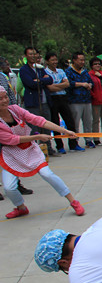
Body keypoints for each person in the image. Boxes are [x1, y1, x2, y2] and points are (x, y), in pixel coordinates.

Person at [0, 90, 84, 219]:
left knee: (47, 174)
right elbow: (12, 140)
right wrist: (37, 137)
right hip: (11, 154)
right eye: (0, 99)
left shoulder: (15, 110)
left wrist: (64, 130)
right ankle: (21, 208)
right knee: (9, 187)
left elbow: (38, 120)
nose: (5, 100)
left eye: (5, 97)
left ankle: (73, 201)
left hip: (30, 150)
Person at [19, 47, 57, 155]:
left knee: (46, 126)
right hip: (33, 103)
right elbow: (30, 84)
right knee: (34, 128)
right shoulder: (24, 70)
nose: (33, 56)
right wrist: (42, 80)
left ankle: (48, 148)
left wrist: (39, 80)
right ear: (26, 56)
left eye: (35, 54)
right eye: (30, 54)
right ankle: (35, 150)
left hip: (45, 102)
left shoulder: (39, 68)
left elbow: (50, 80)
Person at [44, 52, 79, 153]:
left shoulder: (61, 71)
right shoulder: (45, 72)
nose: (55, 62)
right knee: (55, 122)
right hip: (53, 99)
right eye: (52, 60)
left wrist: (56, 86)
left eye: (56, 60)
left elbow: (67, 84)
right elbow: (49, 88)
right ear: (47, 61)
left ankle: (73, 144)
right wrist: (60, 85)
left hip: (63, 98)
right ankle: (60, 146)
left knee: (70, 121)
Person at [65, 52, 95, 149]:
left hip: (86, 100)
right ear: (74, 60)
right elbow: (68, 83)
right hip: (75, 100)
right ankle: (75, 142)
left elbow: (90, 81)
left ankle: (89, 140)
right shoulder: (68, 71)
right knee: (75, 123)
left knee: (88, 121)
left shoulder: (84, 71)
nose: (82, 62)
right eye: (80, 60)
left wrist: (90, 85)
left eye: (83, 60)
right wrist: (81, 84)